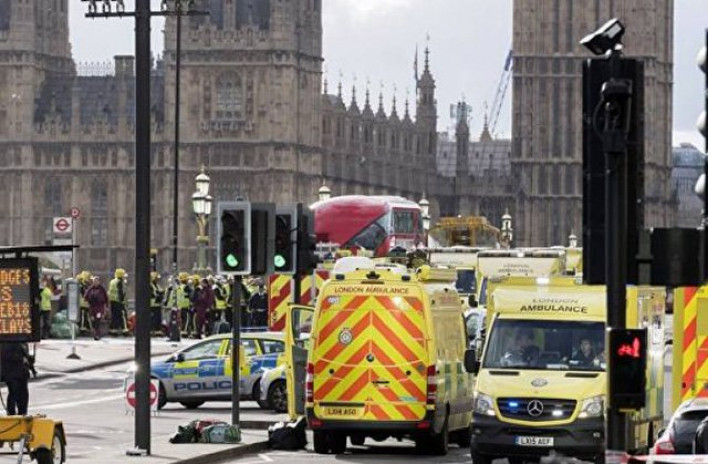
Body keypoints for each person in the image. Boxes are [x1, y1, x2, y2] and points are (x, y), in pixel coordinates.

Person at [0, 342, 36, 415]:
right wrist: (21, 358)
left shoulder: (23, 342)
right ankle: (11, 414)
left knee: (23, 395)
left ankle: (22, 413)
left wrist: (30, 361)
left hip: (22, 372)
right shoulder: (6, 341)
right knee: (14, 392)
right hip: (10, 372)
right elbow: (5, 355)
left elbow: (28, 357)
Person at [84, 276, 109, 340]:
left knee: (98, 320)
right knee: (93, 320)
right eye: (94, 281)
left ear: (99, 282)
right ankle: (95, 333)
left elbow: (106, 298)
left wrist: (106, 306)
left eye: (97, 281)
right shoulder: (90, 288)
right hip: (92, 308)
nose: (95, 282)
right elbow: (85, 296)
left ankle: (97, 334)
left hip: (99, 308)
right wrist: (87, 303)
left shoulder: (102, 289)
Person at [108, 268, 129, 335]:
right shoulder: (119, 282)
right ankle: (125, 330)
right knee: (123, 315)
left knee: (114, 316)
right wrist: (122, 300)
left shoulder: (112, 281)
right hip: (119, 301)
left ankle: (113, 330)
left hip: (112, 301)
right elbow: (120, 292)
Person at [149, 272, 164, 336]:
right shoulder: (150, 286)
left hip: (157, 304)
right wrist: (158, 295)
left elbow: (161, 292)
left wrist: (161, 294)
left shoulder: (157, 285)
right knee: (153, 319)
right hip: (152, 305)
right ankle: (152, 331)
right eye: (156, 278)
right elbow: (151, 294)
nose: (157, 279)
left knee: (158, 318)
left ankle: (158, 331)